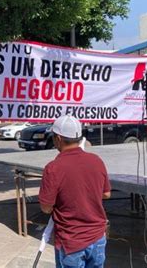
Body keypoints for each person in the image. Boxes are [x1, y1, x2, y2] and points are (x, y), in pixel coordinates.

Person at [38, 115, 111, 268]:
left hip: (71, 242)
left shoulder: (53, 168)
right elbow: (106, 194)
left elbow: (46, 208)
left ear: (58, 138)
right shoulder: (96, 160)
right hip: (98, 238)